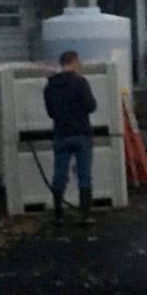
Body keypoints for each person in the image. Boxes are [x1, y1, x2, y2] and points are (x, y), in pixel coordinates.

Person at [44, 50, 97, 226]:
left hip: (61, 134)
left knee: (59, 174)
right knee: (84, 175)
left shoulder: (50, 86)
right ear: (73, 62)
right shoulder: (80, 82)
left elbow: (50, 112)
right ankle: (86, 215)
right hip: (81, 133)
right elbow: (91, 106)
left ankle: (58, 214)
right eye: (78, 62)